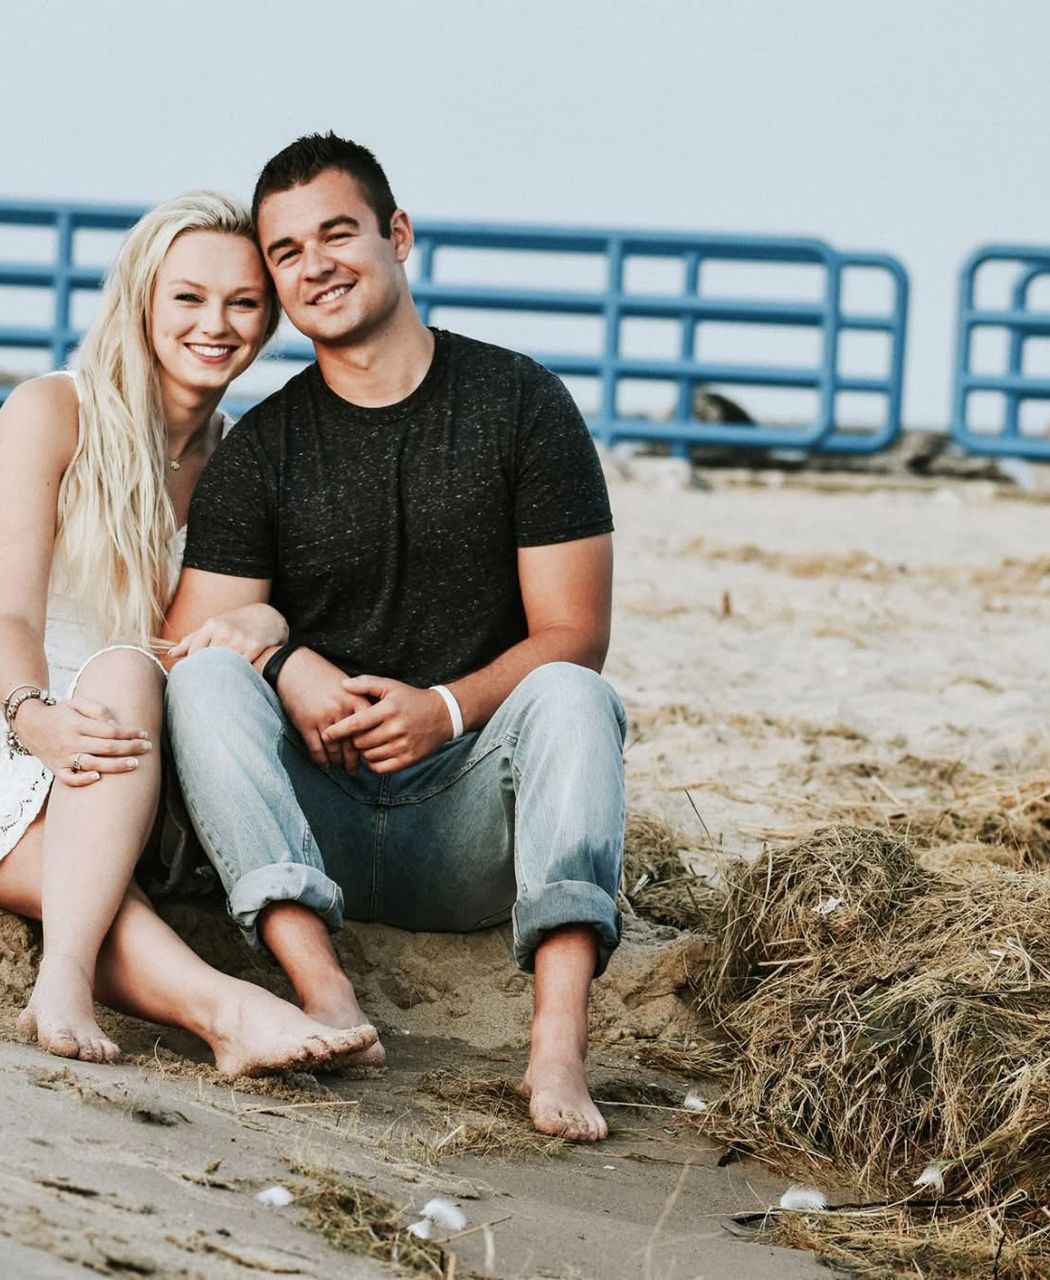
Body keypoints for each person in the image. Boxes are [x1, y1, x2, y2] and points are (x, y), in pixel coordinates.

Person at [0, 191, 379, 1076]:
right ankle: (211, 1007)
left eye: (243, 303)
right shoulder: (52, 412)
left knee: (124, 673)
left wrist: (268, 618)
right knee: (93, 801)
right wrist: (32, 714)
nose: (215, 325)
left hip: (123, 747)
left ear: (269, 318)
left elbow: (185, 649)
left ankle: (125, 990)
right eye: (189, 297)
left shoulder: (242, 461)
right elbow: (7, 615)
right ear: (143, 299)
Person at [163, 136, 628, 1141]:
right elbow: (187, 636)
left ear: (398, 235)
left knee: (577, 695)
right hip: (316, 814)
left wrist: (446, 709)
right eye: (287, 252)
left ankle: (556, 1044)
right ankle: (324, 990)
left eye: (338, 234)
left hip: (472, 826)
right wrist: (284, 661)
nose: (316, 265)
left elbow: (576, 632)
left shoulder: (521, 403)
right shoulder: (265, 447)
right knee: (205, 680)